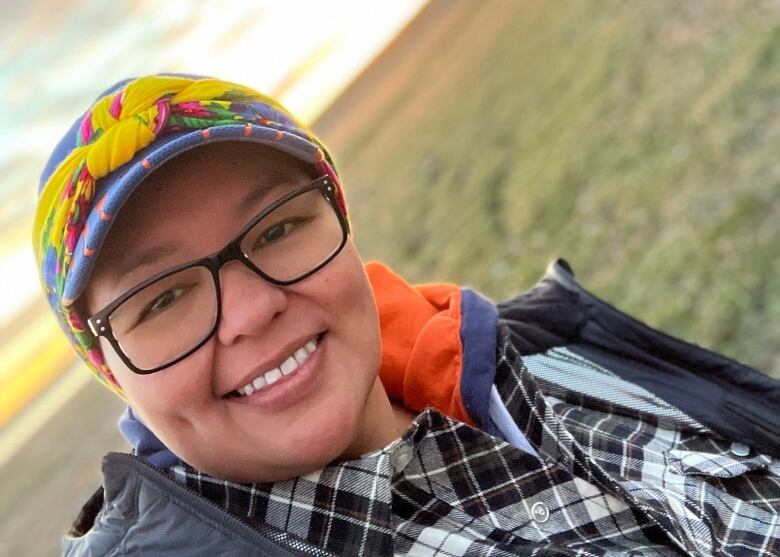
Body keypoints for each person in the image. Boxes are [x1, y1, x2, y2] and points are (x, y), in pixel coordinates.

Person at [35, 75, 779, 556]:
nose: (253, 311)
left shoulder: (539, 349)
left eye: (277, 228)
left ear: (343, 226)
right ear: (110, 369)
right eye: (163, 298)